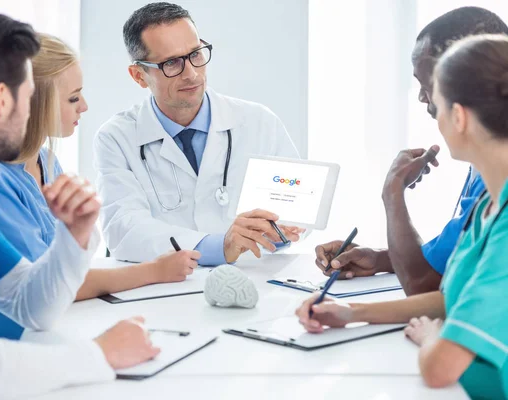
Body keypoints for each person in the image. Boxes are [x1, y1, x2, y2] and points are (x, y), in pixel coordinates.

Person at [0, 12, 159, 400]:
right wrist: (101, 353)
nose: (31, 115)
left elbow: (31, 305)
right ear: (2, 99)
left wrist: (73, 236)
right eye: (29, 98)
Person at [297, 33, 508, 398]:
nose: (432, 115)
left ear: (458, 117)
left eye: (436, 105)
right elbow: (457, 299)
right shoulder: (489, 204)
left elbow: (440, 367)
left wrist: (432, 336)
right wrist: (351, 311)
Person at [0, 33, 201, 340]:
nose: (84, 107)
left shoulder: (45, 161)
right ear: (33, 103)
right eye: (72, 98)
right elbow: (49, 288)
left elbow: (67, 269)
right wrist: (153, 271)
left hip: (58, 327)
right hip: (17, 341)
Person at [314, 7, 507, 295]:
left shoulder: (497, 166)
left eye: (428, 82)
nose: (421, 97)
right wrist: (383, 259)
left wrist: (393, 193)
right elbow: (453, 260)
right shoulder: (486, 158)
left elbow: (425, 286)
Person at [94, 2, 304, 264]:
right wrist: (218, 246)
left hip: (253, 281)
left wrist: (282, 229)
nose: (192, 74)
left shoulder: (259, 122)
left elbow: (296, 210)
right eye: (171, 63)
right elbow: (124, 230)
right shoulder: (117, 138)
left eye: (196, 54)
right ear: (139, 75)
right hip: (168, 292)